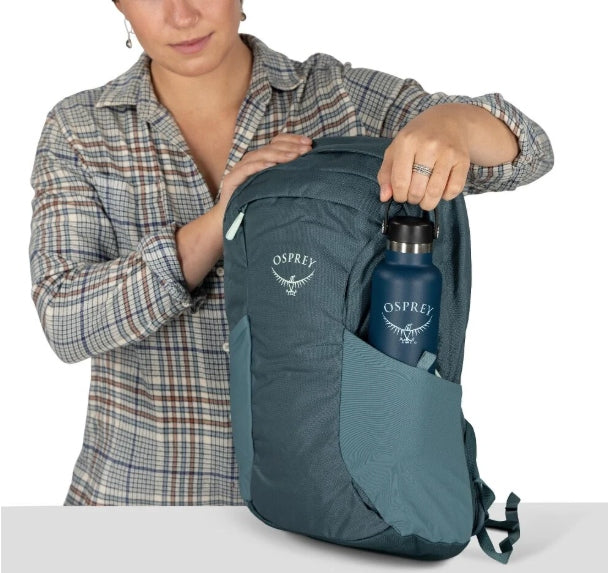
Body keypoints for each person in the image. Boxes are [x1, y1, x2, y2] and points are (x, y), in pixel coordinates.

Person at [29, 0, 553, 506]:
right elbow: (65, 319)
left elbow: (528, 151)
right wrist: (221, 220)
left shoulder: (336, 97)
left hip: (326, 514)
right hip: (138, 505)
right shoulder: (79, 129)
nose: (181, 14)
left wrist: (452, 124)